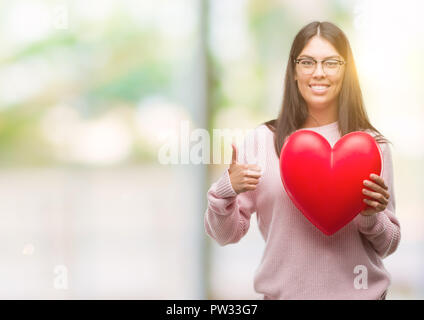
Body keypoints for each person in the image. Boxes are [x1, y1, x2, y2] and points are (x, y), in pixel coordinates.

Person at [204, 21, 400, 300]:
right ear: (294, 71)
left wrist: (370, 217)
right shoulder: (262, 141)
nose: (318, 73)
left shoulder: (371, 147)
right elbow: (224, 235)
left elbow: (388, 245)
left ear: (346, 72)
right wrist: (226, 191)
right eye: (307, 62)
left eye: (331, 63)